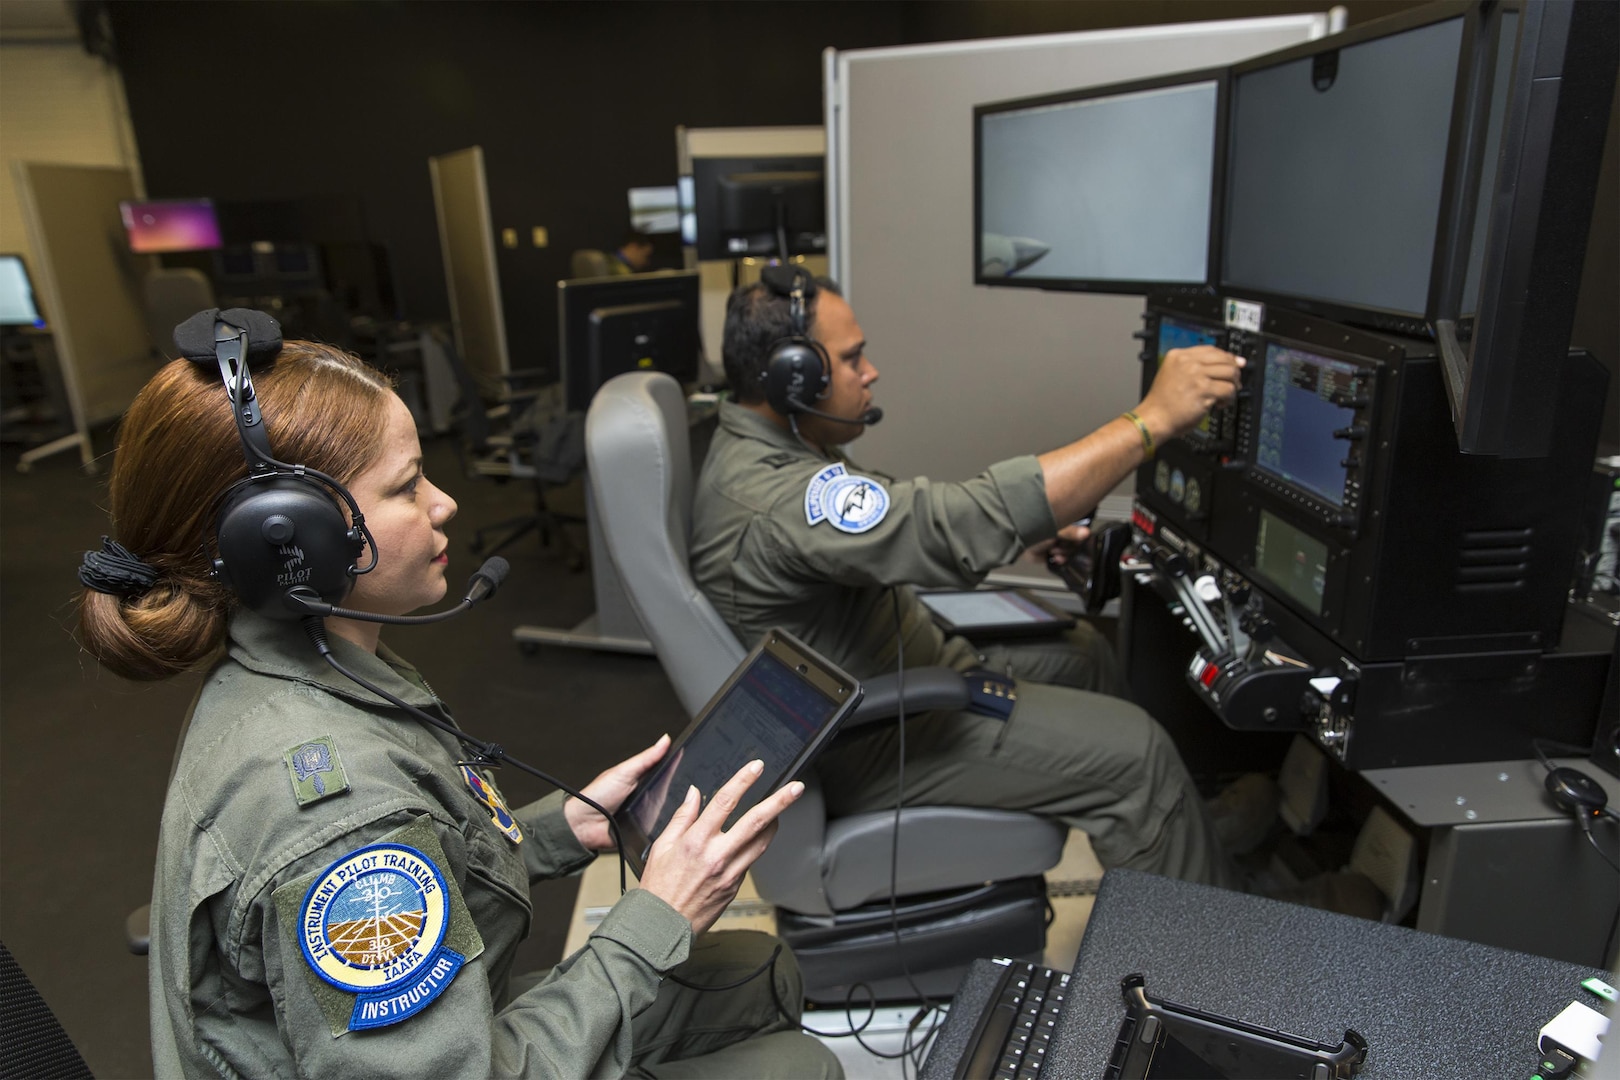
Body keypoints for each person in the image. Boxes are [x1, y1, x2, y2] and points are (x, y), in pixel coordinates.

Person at [76, 332, 841, 1078]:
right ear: (296, 542)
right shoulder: (340, 822)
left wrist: (560, 830)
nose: (444, 504)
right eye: (407, 486)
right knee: (798, 1065)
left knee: (757, 967)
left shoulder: (302, 665)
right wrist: (660, 914)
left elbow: (437, 843)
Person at [690, 269, 1263, 891]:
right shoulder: (771, 495)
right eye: (852, 358)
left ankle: (1180, 838)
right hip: (879, 739)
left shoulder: (780, 446)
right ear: (793, 376)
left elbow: (883, 533)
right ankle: (1216, 968)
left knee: (1086, 654)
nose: (870, 372)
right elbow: (946, 526)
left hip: (907, 671)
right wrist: (1150, 420)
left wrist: (1024, 532)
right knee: (1141, 754)